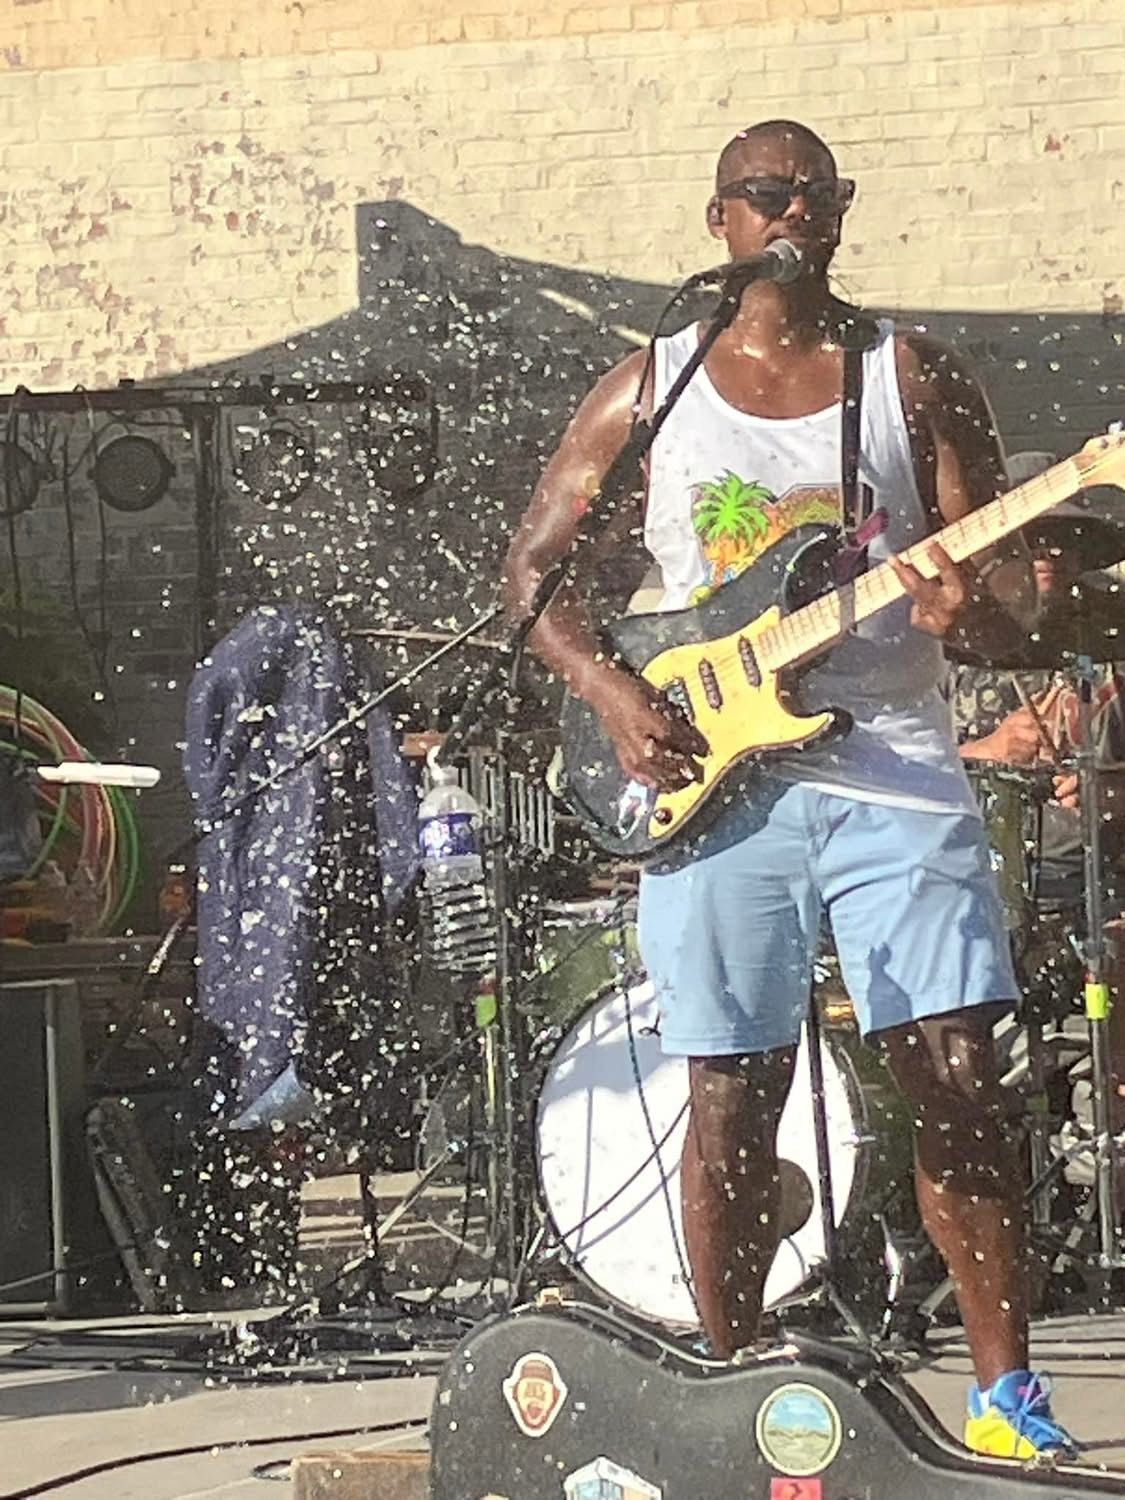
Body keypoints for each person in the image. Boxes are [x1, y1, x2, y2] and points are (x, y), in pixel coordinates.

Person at [505, 118, 1075, 1459]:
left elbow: (1004, 610)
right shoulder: (652, 386)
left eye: (816, 192)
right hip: (716, 777)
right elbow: (532, 577)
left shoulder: (908, 376)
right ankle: (727, 1391)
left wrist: (975, 618)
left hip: (894, 766)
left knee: (955, 1069)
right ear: (720, 221)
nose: (794, 211)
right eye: (766, 193)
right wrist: (614, 695)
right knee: (731, 1090)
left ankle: (1006, 1402)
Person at [952, 480, 1125, 1185]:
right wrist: (984, 751)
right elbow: (883, 770)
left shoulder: (1110, 648)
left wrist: (1114, 791)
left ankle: (1098, 1167)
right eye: (1032, 539)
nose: (1049, 554)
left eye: (1064, 541)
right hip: (970, 900)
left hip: (1098, 898)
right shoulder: (940, 650)